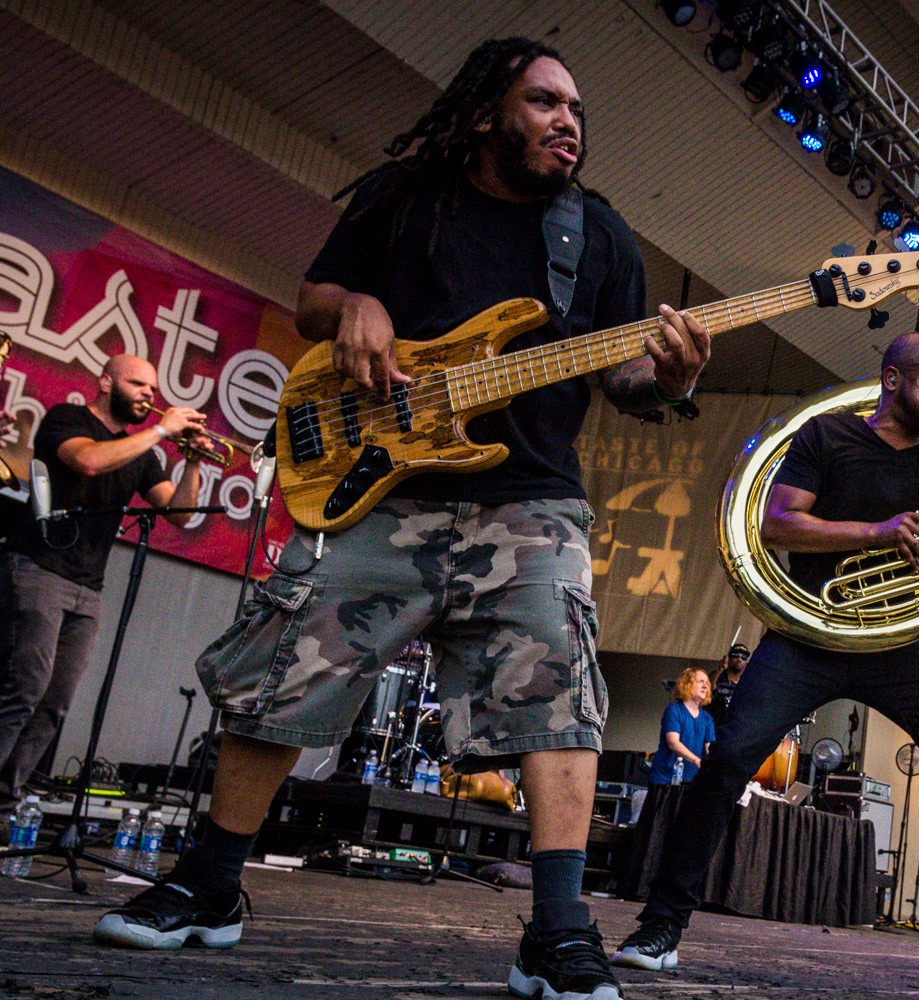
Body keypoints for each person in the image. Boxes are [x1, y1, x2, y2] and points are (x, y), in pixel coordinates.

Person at [93, 38, 710, 1000]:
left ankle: (558, 931)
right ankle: (210, 885)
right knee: (287, 670)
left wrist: (669, 378)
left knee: (560, 699)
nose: (568, 123)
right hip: (378, 486)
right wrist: (358, 307)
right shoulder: (404, 197)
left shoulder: (599, 236)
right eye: (546, 102)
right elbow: (313, 300)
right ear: (487, 113)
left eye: (577, 111)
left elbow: (621, 374)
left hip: (532, 499)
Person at [611, 331, 919, 1000]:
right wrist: (880, 532)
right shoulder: (828, 436)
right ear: (893, 379)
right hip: (809, 632)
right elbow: (779, 524)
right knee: (728, 761)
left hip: (893, 642)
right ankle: (661, 925)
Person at [0, 356, 206, 808]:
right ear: (106, 382)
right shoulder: (67, 418)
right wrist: (162, 430)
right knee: (22, 689)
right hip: (38, 567)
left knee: (54, 704)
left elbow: (181, 514)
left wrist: (191, 463)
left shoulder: (142, 454)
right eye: (138, 384)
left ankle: (5, 800)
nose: (148, 395)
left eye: (153, 389)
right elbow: (89, 461)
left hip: (89, 588)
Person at [649, 667, 715, 785]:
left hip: (691, 780)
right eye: (701, 681)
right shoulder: (674, 710)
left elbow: (709, 748)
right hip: (665, 779)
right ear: (687, 684)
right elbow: (673, 743)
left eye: (707, 683)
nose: (705, 686)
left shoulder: (707, 718)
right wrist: (696, 760)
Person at [706, 641, 749, 729]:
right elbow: (709, 689)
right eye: (735, 656)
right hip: (715, 725)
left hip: (734, 727)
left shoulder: (747, 680)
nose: (739, 659)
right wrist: (720, 669)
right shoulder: (719, 675)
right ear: (728, 659)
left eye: (743, 657)